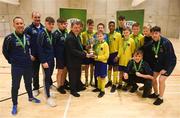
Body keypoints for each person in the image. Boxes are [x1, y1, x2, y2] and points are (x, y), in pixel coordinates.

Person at [2, 17, 40, 115]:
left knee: (28, 82)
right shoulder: (9, 38)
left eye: (21, 23)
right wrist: (11, 61)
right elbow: (5, 51)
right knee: (15, 86)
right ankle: (15, 104)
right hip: (17, 67)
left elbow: (29, 48)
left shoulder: (27, 37)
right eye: (17, 23)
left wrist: (30, 55)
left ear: (23, 24)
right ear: (13, 25)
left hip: (28, 65)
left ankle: (30, 97)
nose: (19, 25)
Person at [148, 26, 176, 105]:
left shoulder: (166, 43)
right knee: (153, 78)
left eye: (156, 33)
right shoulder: (152, 42)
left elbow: (170, 57)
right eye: (152, 33)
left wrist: (165, 68)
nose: (154, 35)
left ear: (159, 33)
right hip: (159, 62)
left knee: (161, 80)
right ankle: (156, 94)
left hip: (169, 63)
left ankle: (160, 98)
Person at [65, 20, 92, 97]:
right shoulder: (70, 37)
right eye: (75, 27)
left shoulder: (77, 36)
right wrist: (85, 54)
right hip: (71, 61)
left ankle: (77, 87)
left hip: (77, 60)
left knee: (77, 75)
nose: (77, 29)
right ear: (71, 28)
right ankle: (73, 91)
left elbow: (79, 46)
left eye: (78, 28)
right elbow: (73, 51)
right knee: (73, 76)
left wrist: (85, 47)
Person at [37, 17, 56, 107]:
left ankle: (47, 91)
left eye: (52, 24)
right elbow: (39, 48)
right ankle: (48, 97)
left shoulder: (50, 33)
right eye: (49, 24)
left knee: (49, 77)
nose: (51, 26)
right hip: (46, 61)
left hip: (51, 59)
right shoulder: (42, 33)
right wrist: (43, 61)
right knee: (47, 78)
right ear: (45, 23)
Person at [24, 11, 44, 96]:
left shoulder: (43, 28)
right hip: (34, 56)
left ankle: (48, 85)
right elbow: (25, 43)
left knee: (47, 72)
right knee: (35, 73)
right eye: (35, 17)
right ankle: (36, 88)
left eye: (38, 17)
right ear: (32, 18)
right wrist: (29, 54)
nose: (37, 19)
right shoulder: (28, 29)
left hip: (43, 55)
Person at [53, 18, 68, 94]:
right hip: (60, 56)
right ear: (58, 24)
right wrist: (56, 56)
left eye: (65, 24)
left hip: (66, 56)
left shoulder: (66, 33)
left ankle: (63, 84)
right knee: (60, 71)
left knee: (65, 71)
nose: (64, 25)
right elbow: (54, 45)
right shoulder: (56, 34)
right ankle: (59, 86)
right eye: (62, 24)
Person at [106, 21, 122, 93]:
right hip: (109, 53)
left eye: (113, 26)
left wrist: (118, 56)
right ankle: (109, 81)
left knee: (115, 69)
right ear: (108, 27)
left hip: (115, 53)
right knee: (109, 67)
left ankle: (114, 84)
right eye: (110, 26)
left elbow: (120, 46)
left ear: (114, 27)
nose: (111, 27)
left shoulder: (118, 34)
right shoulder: (107, 35)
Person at [92, 31, 109, 98]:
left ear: (103, 36)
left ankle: (102, 90)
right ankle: (99, 88)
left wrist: (98, 57)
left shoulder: (105, 44)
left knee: (102, 76)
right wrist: (93, 53)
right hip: (97, 62)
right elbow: (96, 52)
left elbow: (106, 56)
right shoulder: (97, 44)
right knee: (98, 75)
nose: (99, 37)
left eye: (101, 36)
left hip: (103, 63)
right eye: (98, 36)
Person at [81, 19, 95, 86]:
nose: (91, 27)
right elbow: (82, 44)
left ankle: (91, 80)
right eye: (89, 25)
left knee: (92, 67)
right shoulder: (83, 34)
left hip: (93, 53)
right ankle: (86, 80)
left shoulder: (95, 33)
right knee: (87, 67)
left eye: (92, 25)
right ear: (87, 25)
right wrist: (85, 47)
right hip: (87, 53)